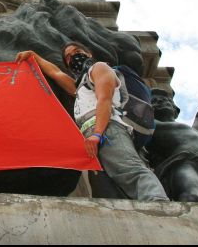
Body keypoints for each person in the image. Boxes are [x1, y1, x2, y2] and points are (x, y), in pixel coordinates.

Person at [19, 43, 168, 201]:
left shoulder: (99, 68)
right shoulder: (80, 86)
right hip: (89, 137)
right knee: (104, 186)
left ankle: (158, 201)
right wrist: (33, 55)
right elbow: (56, 73)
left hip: (107, 129)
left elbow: (105, 99)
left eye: (77, 51)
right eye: (68, 57)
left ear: (88, 53)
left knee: (128, 169)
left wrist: (97, 134)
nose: (73, 57)